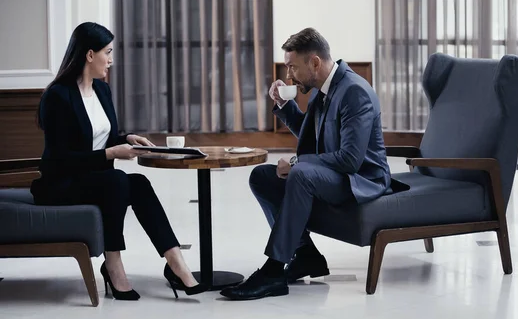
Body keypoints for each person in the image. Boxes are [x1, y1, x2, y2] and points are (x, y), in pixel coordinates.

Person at [30, 22, 207, 301]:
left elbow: (104, 137)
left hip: (96, 180)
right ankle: (114, 265)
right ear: (90, 55)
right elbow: (60, 160)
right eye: (107, 52)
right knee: (117, 180)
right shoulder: (58, 96)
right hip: (60, 185)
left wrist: (127, 138)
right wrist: (111, 154)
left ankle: (175, 261)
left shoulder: (102, 91)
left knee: (138, 183)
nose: (111, 60)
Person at [220, 28, 394, 300]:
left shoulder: (354, 92)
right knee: (262, 177)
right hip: (338, 173)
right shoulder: (321, 90)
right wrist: (283, 105)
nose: (288, 75)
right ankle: (305, 255)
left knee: (300, 173)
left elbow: (350, 160)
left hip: (361, 179)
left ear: (314, 62)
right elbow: (311, 133)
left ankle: (274, 271)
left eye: (292, 67)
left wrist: (297, 162)